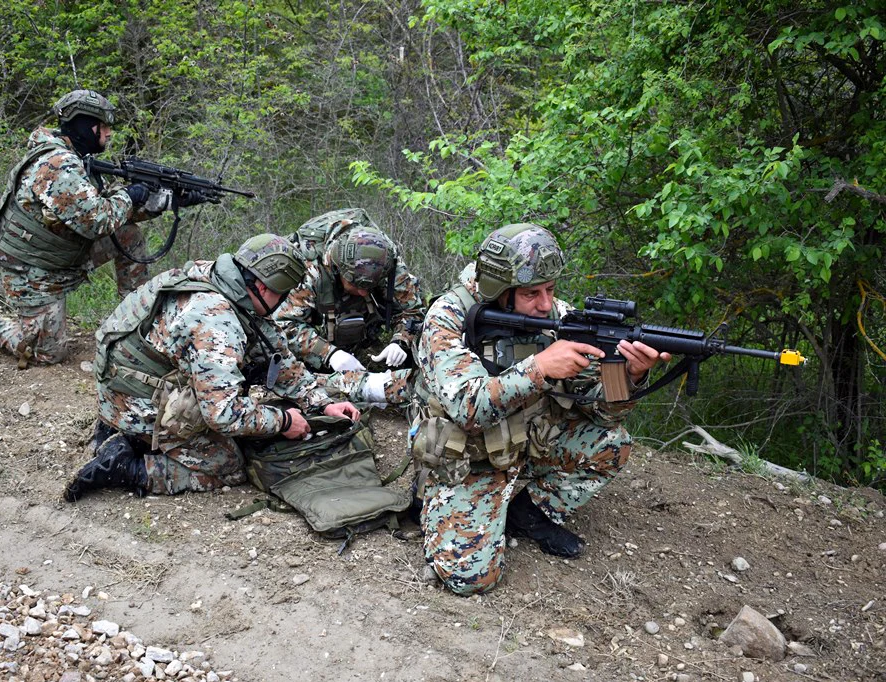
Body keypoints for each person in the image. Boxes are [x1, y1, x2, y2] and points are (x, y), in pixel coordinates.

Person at [410, 223, 671, 596]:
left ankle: (524, 507)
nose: (546, 304)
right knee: (470, 579)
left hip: (527, 444)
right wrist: (540, 369)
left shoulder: (557, 319)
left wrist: (629, 375)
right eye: (531, 293)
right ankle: (440, 497)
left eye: (550, 289)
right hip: (466, 459)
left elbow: (603, 414)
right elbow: (469, 407)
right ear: (498, 289)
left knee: (613, 444)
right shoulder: (449, 318)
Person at [64, 233, 360, 501]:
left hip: (123, 383)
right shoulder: (216, 321)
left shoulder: (221, 278)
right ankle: (126, 467)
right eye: (280, 294)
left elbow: (274, 354)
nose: (282, 303)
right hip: (133, 400)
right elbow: (222, 414)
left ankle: (127, 432)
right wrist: (283, 421)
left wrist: (322, 403)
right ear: (260, 285)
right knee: (228, 465)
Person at [0, 89, 211, 366]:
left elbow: (114, 213)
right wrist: (130, 195)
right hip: (32, 268)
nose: (108, 133)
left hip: (62, 253)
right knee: (47, 354)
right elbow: (97, 221)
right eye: (102, 126)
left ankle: (134, 323)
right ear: (83, 125)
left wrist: (170, 200)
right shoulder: (57, 164)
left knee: (127, 235)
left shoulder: (76, 158)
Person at [274, 209, 425, 405]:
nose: (363, 292)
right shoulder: (309, 269)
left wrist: (401, 340)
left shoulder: (386, 260)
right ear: (338, 270)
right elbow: (284, 325)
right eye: (356, 285)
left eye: (369, 286)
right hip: (317, 328)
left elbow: (412, 310)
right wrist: (329, 353)